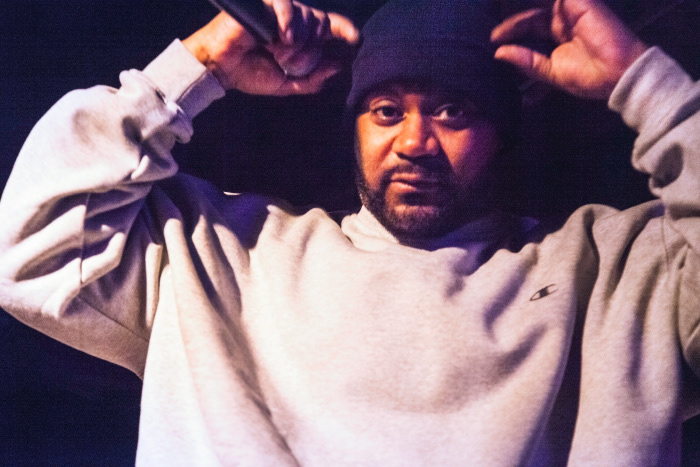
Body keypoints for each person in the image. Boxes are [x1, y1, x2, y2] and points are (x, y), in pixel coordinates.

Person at [0, 0, 698, 464]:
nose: (415, 142)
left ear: (502, 134)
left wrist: (647, 86)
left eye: (453, 112)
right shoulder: (225, 255)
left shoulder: (617, 275)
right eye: (387, 111)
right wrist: (198, 65)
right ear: (355, 129)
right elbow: (31, 246)